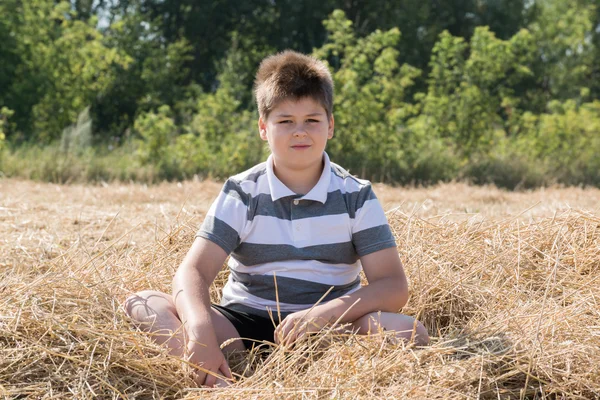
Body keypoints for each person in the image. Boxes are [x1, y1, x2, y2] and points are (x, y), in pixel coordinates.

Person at [124, 50, 429, 387]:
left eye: (312, 120)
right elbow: (193, 271)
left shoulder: (355, 195)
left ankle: (327, 379)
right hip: (243, 323)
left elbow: (393, 286)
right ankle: (218, 383)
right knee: (143, 304)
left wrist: (322, 315)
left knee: (407, 330)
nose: (300, 131)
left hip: (330, 330)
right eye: (285, 121)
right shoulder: (243, 192)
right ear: (263, 128)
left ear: (330, 126)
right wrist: (200, 331)